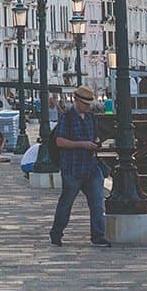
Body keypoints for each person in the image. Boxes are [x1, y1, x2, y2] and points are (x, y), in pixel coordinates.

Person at [49, 85, 110, 247]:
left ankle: (98, 235)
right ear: (76, 101)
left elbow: (95, 136)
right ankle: (56, 233)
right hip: (72, 167)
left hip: (91, 166)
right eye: (85, 104)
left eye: (89, 104)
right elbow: (59, 141)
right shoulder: (66, 117)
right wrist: (83, 144)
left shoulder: (90, 117)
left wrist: (96, 143)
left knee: (97, 202)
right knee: (66, 202)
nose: (87, 107)